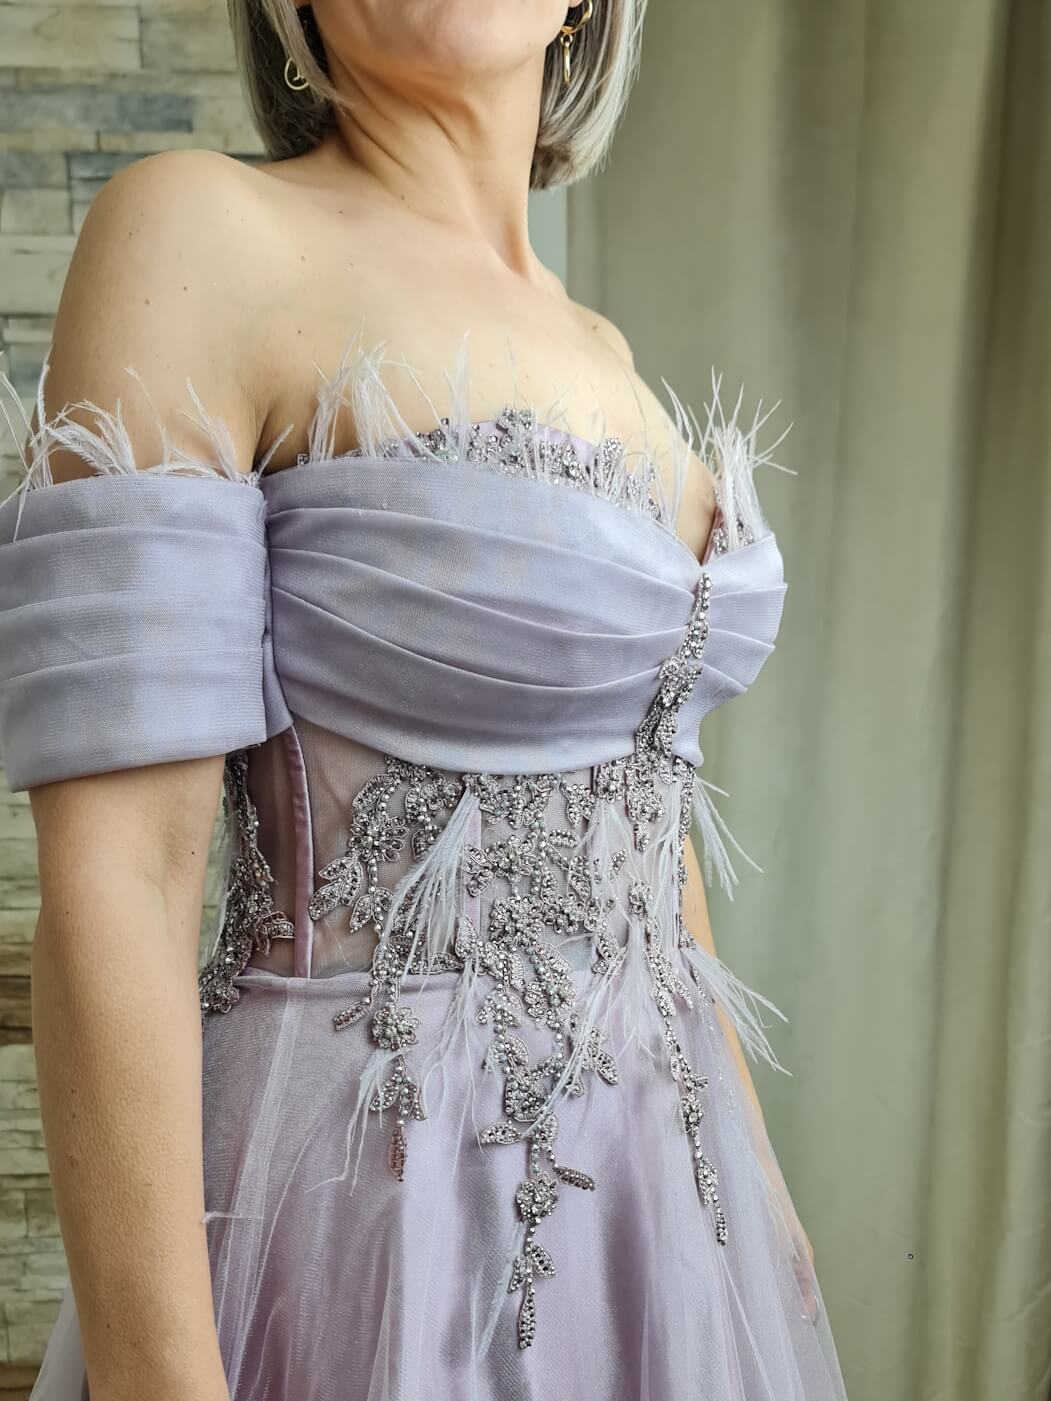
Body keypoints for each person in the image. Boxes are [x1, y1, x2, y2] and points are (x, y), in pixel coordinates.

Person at [0, 2, 849, 1398]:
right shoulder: (203, 237)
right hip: (378, 1213)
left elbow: (649, 808)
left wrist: (753, 1181)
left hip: (669, 1219)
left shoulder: (605, 347)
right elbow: (120, 885)